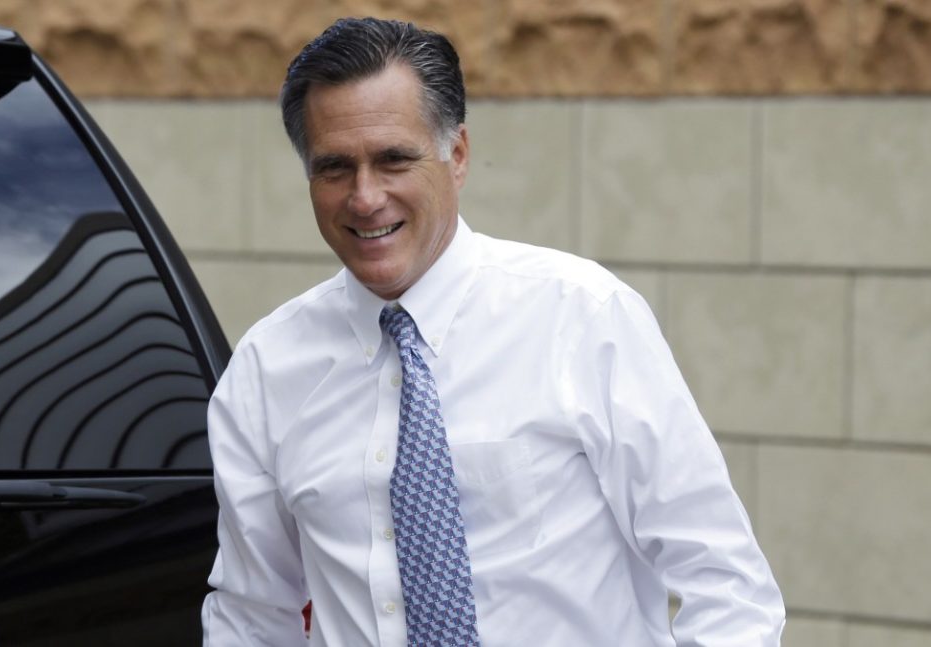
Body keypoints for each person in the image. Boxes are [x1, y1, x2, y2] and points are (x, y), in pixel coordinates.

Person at [203, 16, 784, 646]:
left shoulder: (582, 318)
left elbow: (725, 583)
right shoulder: (266, 369)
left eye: (394, 159)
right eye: (335, 167)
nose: (365, 197)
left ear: (456, 156)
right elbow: (251, 616)